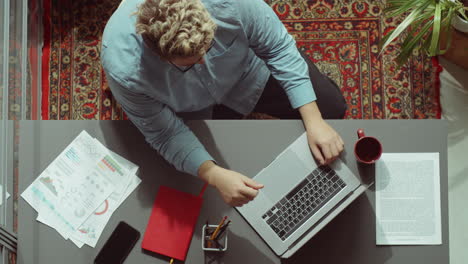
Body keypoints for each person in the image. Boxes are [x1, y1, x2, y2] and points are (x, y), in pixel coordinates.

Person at [101, 0, 347, 207]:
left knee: (332, 108)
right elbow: (165, 133)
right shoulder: (125, 67)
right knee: (209, 188)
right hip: (193, 107)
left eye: (209, 47)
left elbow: (278, 48)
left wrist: (314, 121)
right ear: (158, 54)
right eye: (190, 63)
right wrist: (214, 174)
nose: (204, 62)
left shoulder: (232, 3)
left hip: (250, 73)